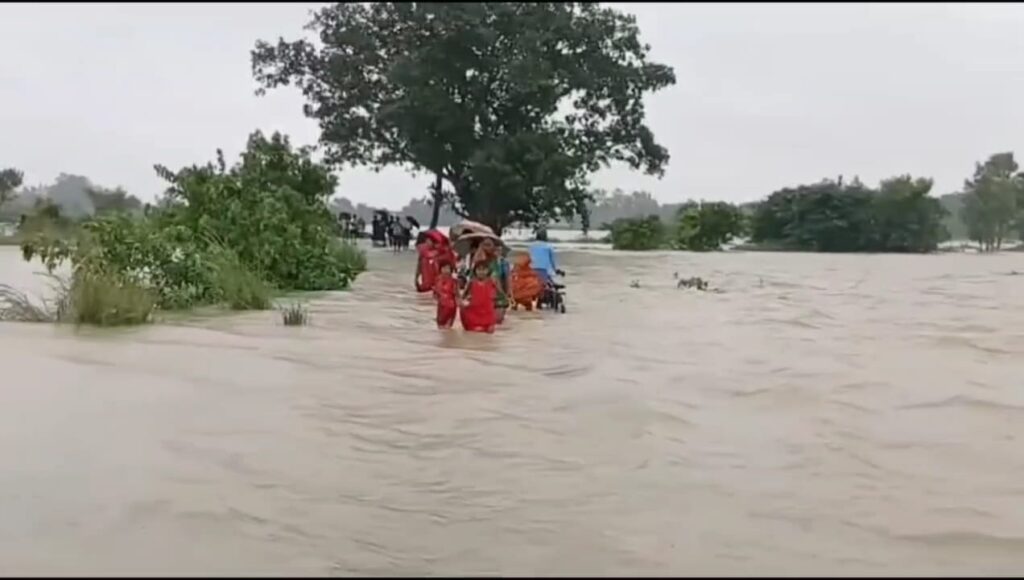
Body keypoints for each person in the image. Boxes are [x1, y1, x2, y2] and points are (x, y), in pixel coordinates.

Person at [460, 259, 498, 333]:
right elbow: (464, 295)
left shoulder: (492, 282)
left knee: (489, 332)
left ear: (488, 271)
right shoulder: (471, 282)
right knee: (474, 332)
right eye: (479, 269)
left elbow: (499, 293)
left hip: (488, 312)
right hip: (474, 312)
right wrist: (464, 301)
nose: (481, 272)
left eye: (484, 269)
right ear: (475, 271)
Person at [434, 260, 459, 329]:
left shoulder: (454, 281)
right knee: (440, 325)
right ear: (440, 269)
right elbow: (435, 293)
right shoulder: (437, 279)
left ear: (451, 270)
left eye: (448, 268)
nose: (446, 270)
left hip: (451, 306)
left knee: (448, 327)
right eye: (444, 268)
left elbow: (457, 293)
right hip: (441, 306)